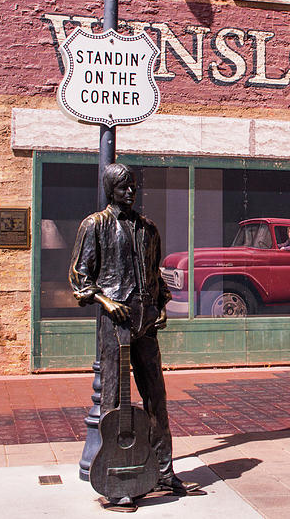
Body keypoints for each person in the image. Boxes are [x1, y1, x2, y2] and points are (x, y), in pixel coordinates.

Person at [69, 163, 197, 508]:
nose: (131, 193)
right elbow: (81, 278)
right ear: (110, 189)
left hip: (146, 323)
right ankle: (115, 478)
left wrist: (163, 305)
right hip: (116, 324)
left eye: (133, 187)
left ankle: (164, 470)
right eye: (124, 187)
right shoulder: (95, 225)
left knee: (157, 397)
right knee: (113, 399)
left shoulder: (147, 228)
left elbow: (155, 273)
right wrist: (106, 302)